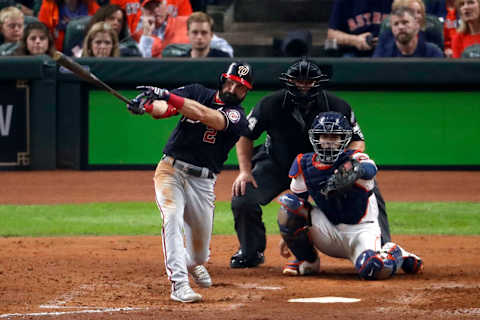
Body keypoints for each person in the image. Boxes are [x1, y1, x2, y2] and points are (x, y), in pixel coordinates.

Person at [230, 57, 392, 269]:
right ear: (289, 81)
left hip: (324, 167)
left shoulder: (337, 105)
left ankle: (383, 247)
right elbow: (245, 135)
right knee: (243, 195)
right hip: (277, 163)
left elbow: (357, 141)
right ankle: (251, 251)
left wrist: (347, 166)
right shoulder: (270, 103)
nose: (303, 85)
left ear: (319, 82)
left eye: (308, 81)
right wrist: (244, 170)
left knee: (370, 188)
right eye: (299, 81)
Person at [125, 62, 254, 303]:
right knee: (172, 216)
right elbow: (166, 109)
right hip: (171, 170)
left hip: (203, 183)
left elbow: (206, 115)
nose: (233, 89)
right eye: (231, 82)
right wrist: (148, 105)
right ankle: (179, 285)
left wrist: (167, 95)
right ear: (222, 79)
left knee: (199, 255)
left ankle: (192, 263)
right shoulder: (197, 92)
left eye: (241, 87)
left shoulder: (238, 117)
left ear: (246, 93)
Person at [277, 111, 423, 280]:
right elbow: (298, 202)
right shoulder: (304, 164)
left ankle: (394, 252)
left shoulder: (355, 159)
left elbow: (370, 169)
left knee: (373, 269)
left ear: (344, 140)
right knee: (289, 206)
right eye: (325, 136)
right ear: (316, 137)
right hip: (327, 229)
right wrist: (290, 239)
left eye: (335, 137)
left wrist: (356, 170)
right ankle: (308, 261)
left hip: (361, 232)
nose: (329, 141)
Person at [327, 0, 393, 57]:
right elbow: (331, 35)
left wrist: (385, 40)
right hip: (355, 53)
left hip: (388, 51)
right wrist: (355, 40)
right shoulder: (344, 1)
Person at [373, 6, 444, 57]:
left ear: (417, 25)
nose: (400, 27)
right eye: (396, 24)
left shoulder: (433, 53)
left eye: (405, 22)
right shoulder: (383, 54)